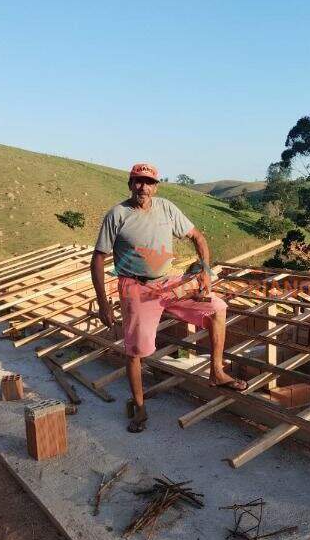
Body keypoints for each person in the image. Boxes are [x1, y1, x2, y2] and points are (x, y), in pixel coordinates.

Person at [91, 162, 248, 432]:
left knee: (218, 307)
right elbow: (97, 259)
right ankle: (139, 409)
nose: (143, 186)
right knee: (135, 351)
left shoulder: (166, 208)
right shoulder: (117, 215)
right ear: (130, 184)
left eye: (148, 182)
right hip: (136, 288)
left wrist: (205, 273)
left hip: (168, 283)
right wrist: (104, 303)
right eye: (138, 181)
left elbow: (198, 237)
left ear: (155, 186)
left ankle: (217, 372)